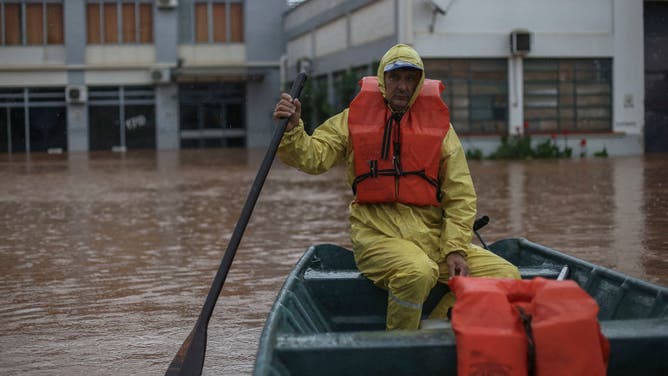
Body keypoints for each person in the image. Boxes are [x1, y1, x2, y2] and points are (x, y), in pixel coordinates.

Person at [273, 44, 520, 330]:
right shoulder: (352, 118)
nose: (402, 86)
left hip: (432, 237)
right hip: (376, 235)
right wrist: (292, 130)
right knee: (417, 271)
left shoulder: (441, 128)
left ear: (418, 82)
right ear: (382, 80)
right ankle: (400, 344)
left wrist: (455, 248)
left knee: (506, 275)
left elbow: (460, 195)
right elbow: (314, 157)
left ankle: (439, 328)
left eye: (410, 78)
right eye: (395, 78)